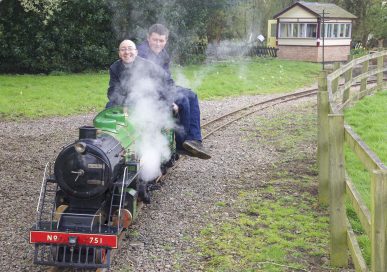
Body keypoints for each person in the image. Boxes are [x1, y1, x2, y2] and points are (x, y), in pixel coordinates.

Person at [137, 23, 211, 160]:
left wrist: (172, 92)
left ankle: (194, 140)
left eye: (161, 40)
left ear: (166, 41)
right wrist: (171, 100)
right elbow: (147, 84)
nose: (158, 44)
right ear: (148, 38)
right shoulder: (141, 54)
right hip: (149, 93)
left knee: (192, 95)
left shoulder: (163, 54)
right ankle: (181, 144)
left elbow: (167, 78)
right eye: (155, 40)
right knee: (182, 100)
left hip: (164, 88)